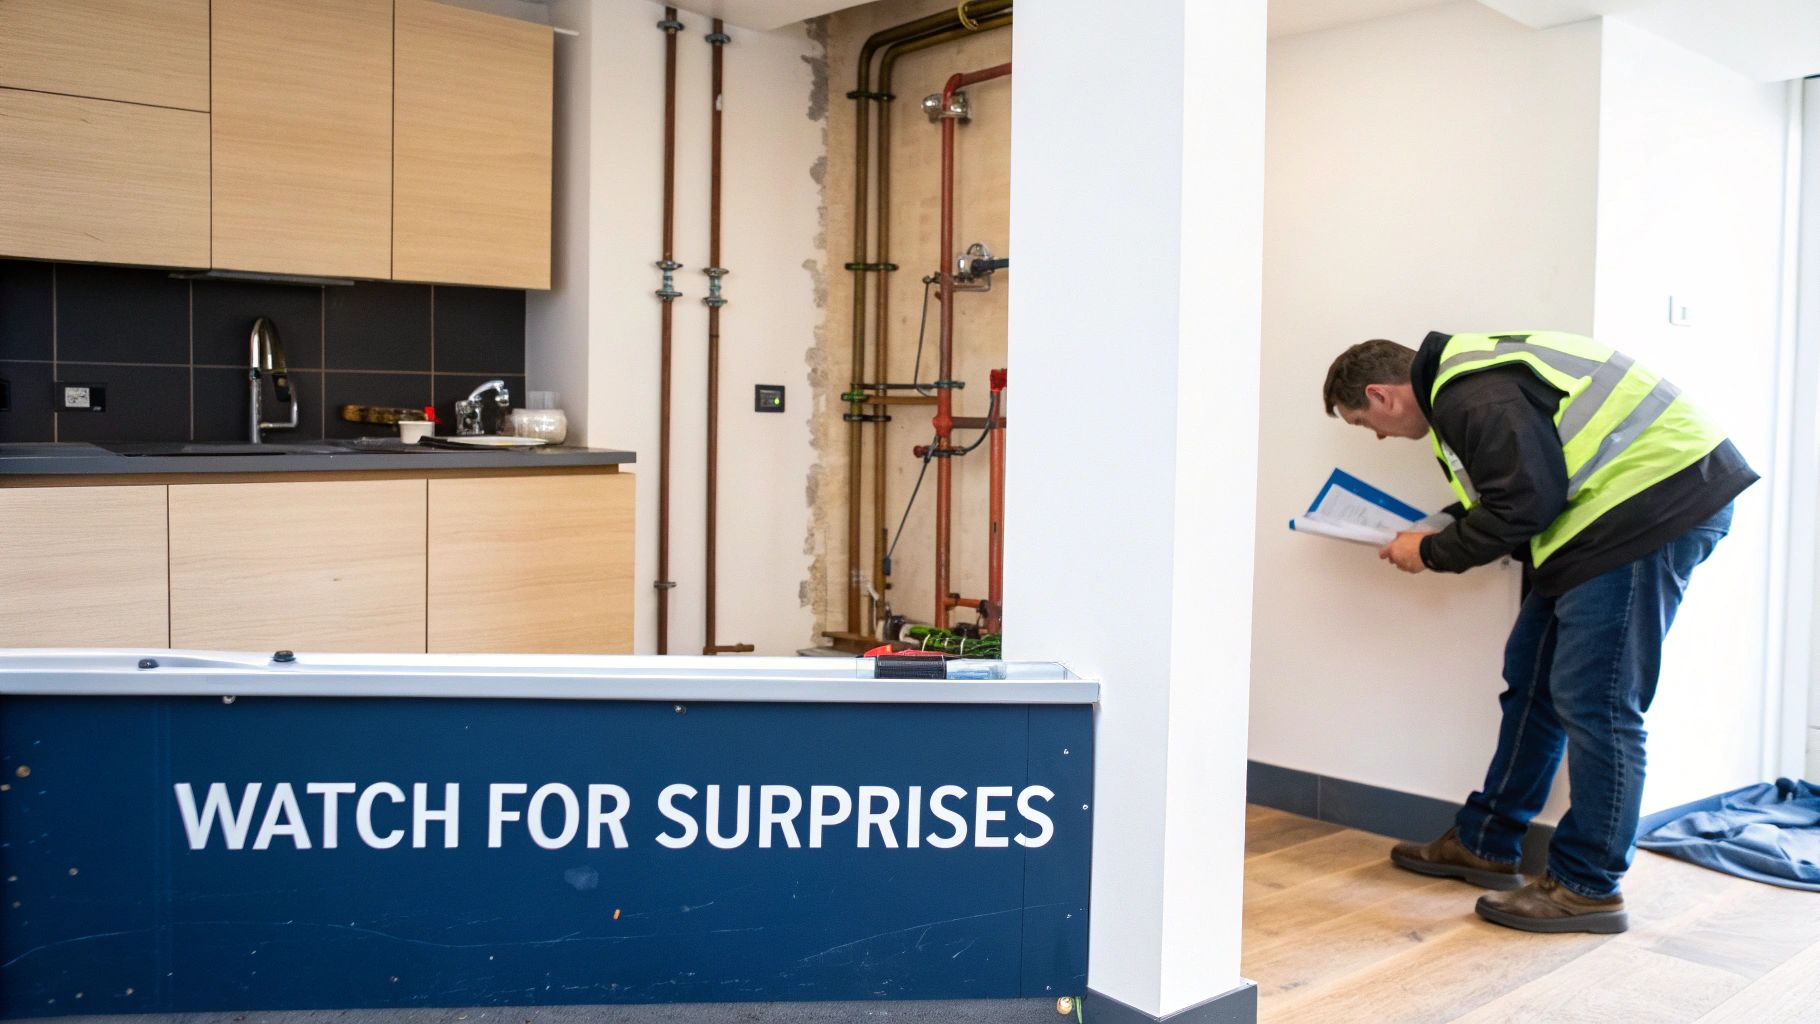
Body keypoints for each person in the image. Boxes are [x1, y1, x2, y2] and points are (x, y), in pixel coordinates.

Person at [1322, 331, 1756, 934]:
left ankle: (1587, 887)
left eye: (1363, 421)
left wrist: (1434, 553)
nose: (1375, 435)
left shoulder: (1471, 395)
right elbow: (1514, 492)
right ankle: (1487, 841)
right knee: (1531, 680)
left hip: (1644, 511)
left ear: (1381, 395)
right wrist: (1439, 528)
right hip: (1602, 522)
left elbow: (1526, 504)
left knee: (1598, 703)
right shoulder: (1466, 389)